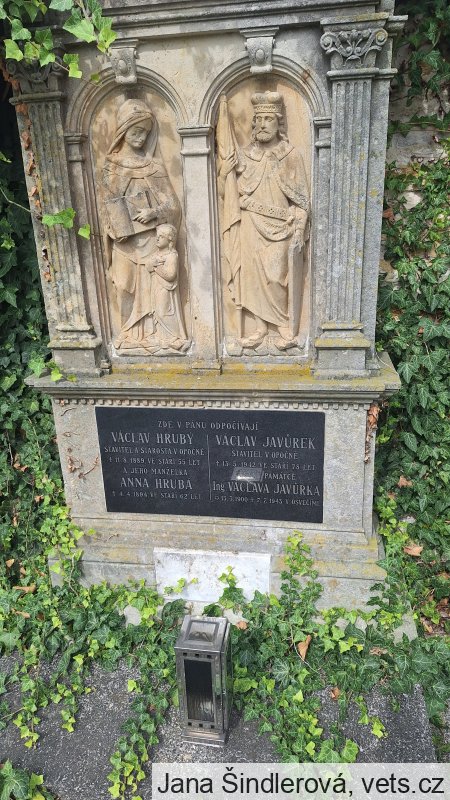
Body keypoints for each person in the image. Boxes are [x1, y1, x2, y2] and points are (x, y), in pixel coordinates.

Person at [217, 91, 309, 350]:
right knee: (251, 278)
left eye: (269, 119)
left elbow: (302, 201)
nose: (262, 124)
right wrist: (224, 173)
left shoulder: (290, 155)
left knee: (276, 276)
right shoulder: (245, 155)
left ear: (279, 123)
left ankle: (283, 323)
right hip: (250, 224)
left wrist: (299, 230)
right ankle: (259, 328)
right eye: (258, 119)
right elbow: (227, 195)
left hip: (280, 227)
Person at [102, 99, 181, 350]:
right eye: (136, 131)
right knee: (124, 286)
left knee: (153, 291)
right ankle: (128, 335)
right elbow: (106, 205)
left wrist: (153, 213)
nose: (141, 138)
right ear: (123, 130)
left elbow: (173, 206)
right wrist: (114, 229)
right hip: (124, 243)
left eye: (145, 133)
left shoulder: (153, 166)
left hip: (151, 242)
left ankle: (154, 336)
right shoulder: (112, 165)